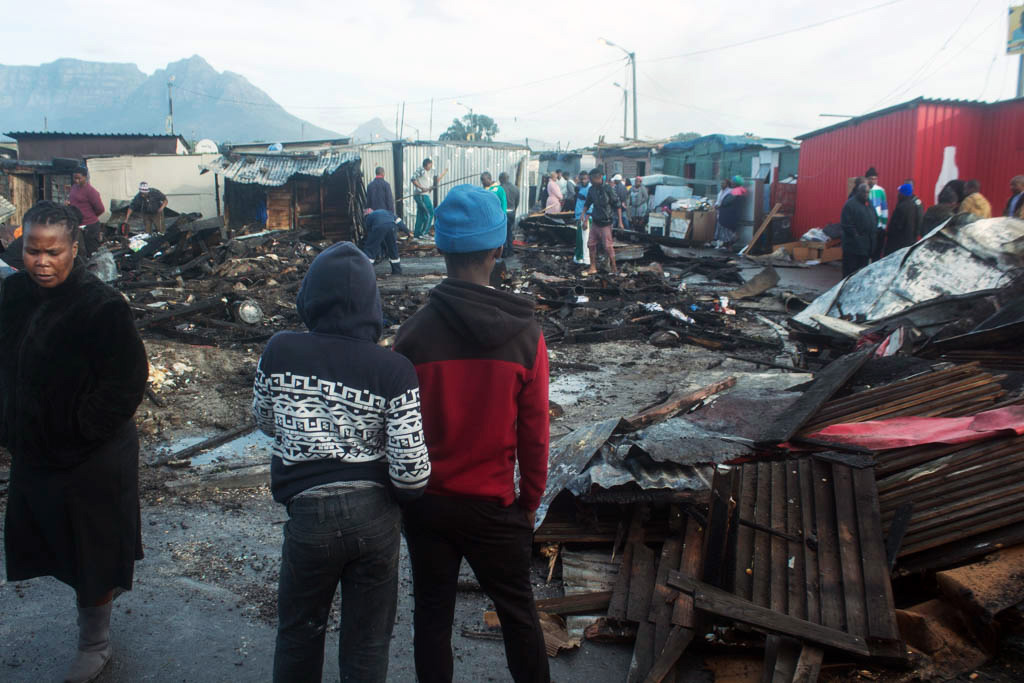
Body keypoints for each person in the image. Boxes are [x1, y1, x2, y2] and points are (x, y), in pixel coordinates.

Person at [253, 241, 431, 682]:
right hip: (373, 519)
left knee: (299, 633)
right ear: (373, 304)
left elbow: (266, 420)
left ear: (310, 297)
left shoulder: (280, 350)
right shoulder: (393, 368)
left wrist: (306, 434)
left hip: (308, 517)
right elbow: (412, 472)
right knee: (367, 644)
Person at [394, 184, 550, 683]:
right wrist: (530, 500)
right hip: (496, 507)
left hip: (428, 505)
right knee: (520, 618)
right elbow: (535, 431)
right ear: (498, 249)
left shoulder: (413, 336)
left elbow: (399, 429)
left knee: (432, 618)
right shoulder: (526, 334)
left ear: (439, 248)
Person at [1, 201, 149, 683]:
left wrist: (80, 427)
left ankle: (95, 642)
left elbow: (126, 383)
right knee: (47, 538)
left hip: (94, 454)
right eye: (32, 251)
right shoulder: (11, 296)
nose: (42, 262)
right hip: (35, 449)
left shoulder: (101, 306)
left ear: (74, 249)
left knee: (94, 550)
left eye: (53, 252)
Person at [582, 167, 622, 275]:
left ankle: (614, 268)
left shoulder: (608, 189)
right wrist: (583, 216)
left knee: (608, 246)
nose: (590, 181)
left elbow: (617, 205)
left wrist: (620, 222)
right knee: (590, 244)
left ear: (598, 178)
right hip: (595, 221)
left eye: (591, 179)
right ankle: (593, 267)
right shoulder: (591, 190)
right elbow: (587, 203)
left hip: (606, 222)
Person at [841, 180, 876, 277]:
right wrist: (857, 237)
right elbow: (847, 225)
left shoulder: (869, 204)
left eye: (868, 192)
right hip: (853, 248)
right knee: (850, 273)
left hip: (866, 248)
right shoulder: (850, 205)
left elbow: (873, 220)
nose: (866, 194)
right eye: (864, 192)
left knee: (861, 274)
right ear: (858, 192)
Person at [67, 167, 105, 256]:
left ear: (85, 177)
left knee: (91, 252)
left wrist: (88, 217)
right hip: (76, 225)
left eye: (79, 178)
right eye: (74, 178)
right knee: (79, 252)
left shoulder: (91, 192)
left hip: (90, 226)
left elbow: (100, 209)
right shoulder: (73, 188)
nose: (76, 180)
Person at [884, 181, 923, 255]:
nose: (898, 194)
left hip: (898, 242)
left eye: (900, 192)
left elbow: (897, 226)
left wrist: (889, 233)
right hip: (909, 241)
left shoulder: (902, 207)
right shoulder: (914, 205)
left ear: (903, 194)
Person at [361, 209, 405, 274]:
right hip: (392, 226)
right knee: (392, 248)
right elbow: (399, 221)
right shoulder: (385, 212)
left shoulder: (368, 218)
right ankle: (397, 271)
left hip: (378, 227)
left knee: (370, 249)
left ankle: (367, 272)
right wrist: (407, 232)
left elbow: (371, 234)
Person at [716, 175, 747, 249]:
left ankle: (731, 243)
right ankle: (728, 246)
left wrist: (721, 205)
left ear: (736, 183)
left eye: (733, 182)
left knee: (727, 232)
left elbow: (726, 202)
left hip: (728, 215)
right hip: (732, 214)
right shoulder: (741, 190)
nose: (732, 183)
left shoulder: (735, 191)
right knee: (729, 231)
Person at [864, 167, 888, 261]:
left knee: (877, 250)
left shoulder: (881, 191)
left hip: (878, 226)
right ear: (867, 179)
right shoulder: (863, 190)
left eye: (875, 179)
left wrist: (883, 225)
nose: (873, 181)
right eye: (871, 178)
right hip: (867, 226)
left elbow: (884, 209)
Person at [411, 158, 435, 238]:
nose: (431, 167)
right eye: (430, 165)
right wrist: (421, 188)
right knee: (430, 213)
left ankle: (417, 234)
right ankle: (424, 233)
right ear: (428, 164)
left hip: (422, 194)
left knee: (421, 214)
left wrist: (429, 188)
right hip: (422, 195)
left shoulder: (425, 173)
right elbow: (413, 179)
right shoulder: (421, 169)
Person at [499, 171, 520, 255]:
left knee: (503, 232)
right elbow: (517, 202)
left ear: (501, 179)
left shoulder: (500, 189)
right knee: (509, 231)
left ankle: (504, 252)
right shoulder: (515, 188)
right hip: (512, 212)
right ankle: (510, 251)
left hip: (503, 213)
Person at [573, 172, 591, 266]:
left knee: (585, 238)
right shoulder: (582, 188)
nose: (583, 181)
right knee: (580, 238)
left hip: (585, 217)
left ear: (588, 178)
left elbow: (591, 205)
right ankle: (579, 257)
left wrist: (586, 219)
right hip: (580, 216)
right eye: (582, 179)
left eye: (585, 179)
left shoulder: (589, 189)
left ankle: (586, 259)